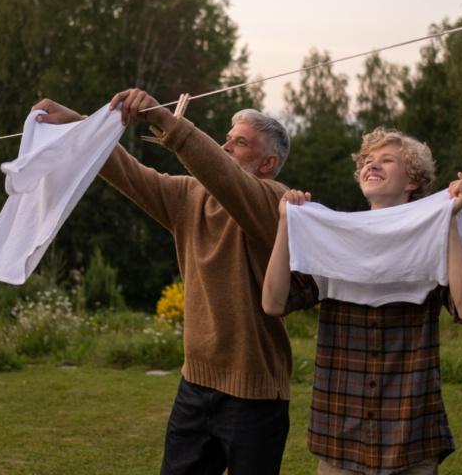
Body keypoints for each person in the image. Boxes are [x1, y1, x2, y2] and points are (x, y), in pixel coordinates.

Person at [31, 89, 294, 475]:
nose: (225, 147)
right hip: (195, 385)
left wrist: (167, 121)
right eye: (227, 136)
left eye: (240, 143)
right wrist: (79, 123)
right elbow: (129, 173)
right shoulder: (189, 198)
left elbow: (228, 181)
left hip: (256, 396)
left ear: (268, 163)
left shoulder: (276, 203)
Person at [262, 127, 462, 475]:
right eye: (367, 161)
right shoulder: (334, 237)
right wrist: (285, 223)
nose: (372, 165)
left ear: (413, 180)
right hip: (339, 435)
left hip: (410, 435)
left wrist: (448, 218)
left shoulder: (432, 234)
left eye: (387, 160)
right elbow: (273, 303)